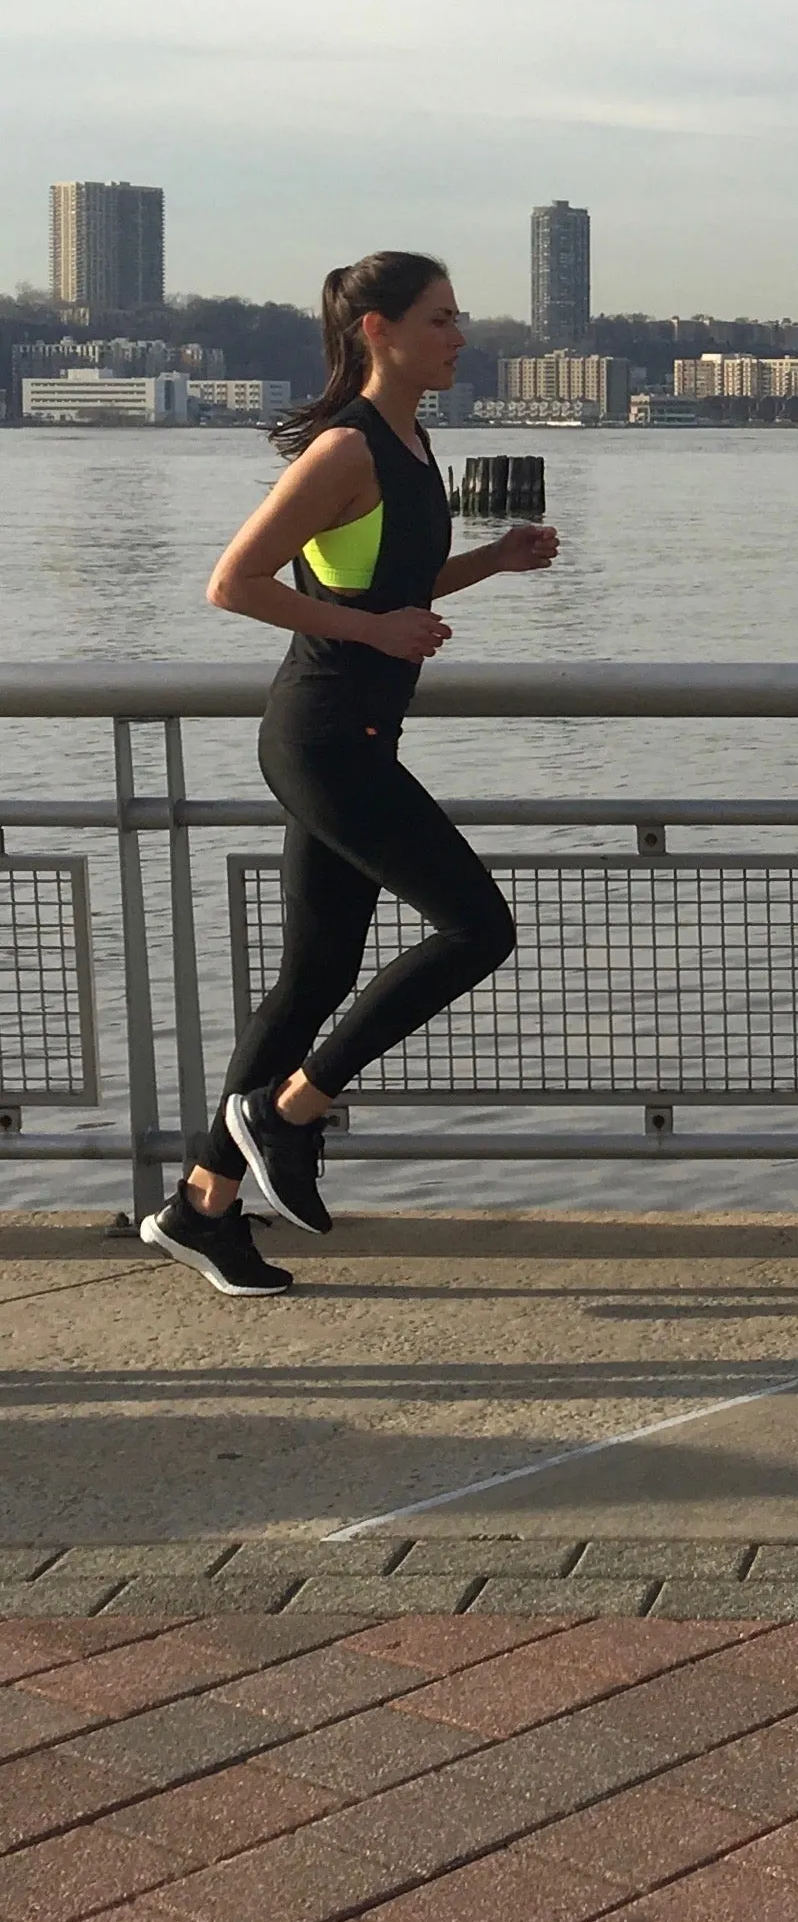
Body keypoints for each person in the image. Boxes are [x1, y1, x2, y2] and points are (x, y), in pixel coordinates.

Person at [141, 252, 559, 1295]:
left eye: (459, 317)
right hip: (325, 736)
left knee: (316, 976)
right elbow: (234, 583)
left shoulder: (415, 443)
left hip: (357, 736)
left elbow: (390, 578)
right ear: (377, 329)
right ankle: (294, 1108)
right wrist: (372, 627)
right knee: (479, 928)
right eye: (441, 318)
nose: (461, 335)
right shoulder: (346, 448)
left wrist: (491, 562)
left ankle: (201, 1207)